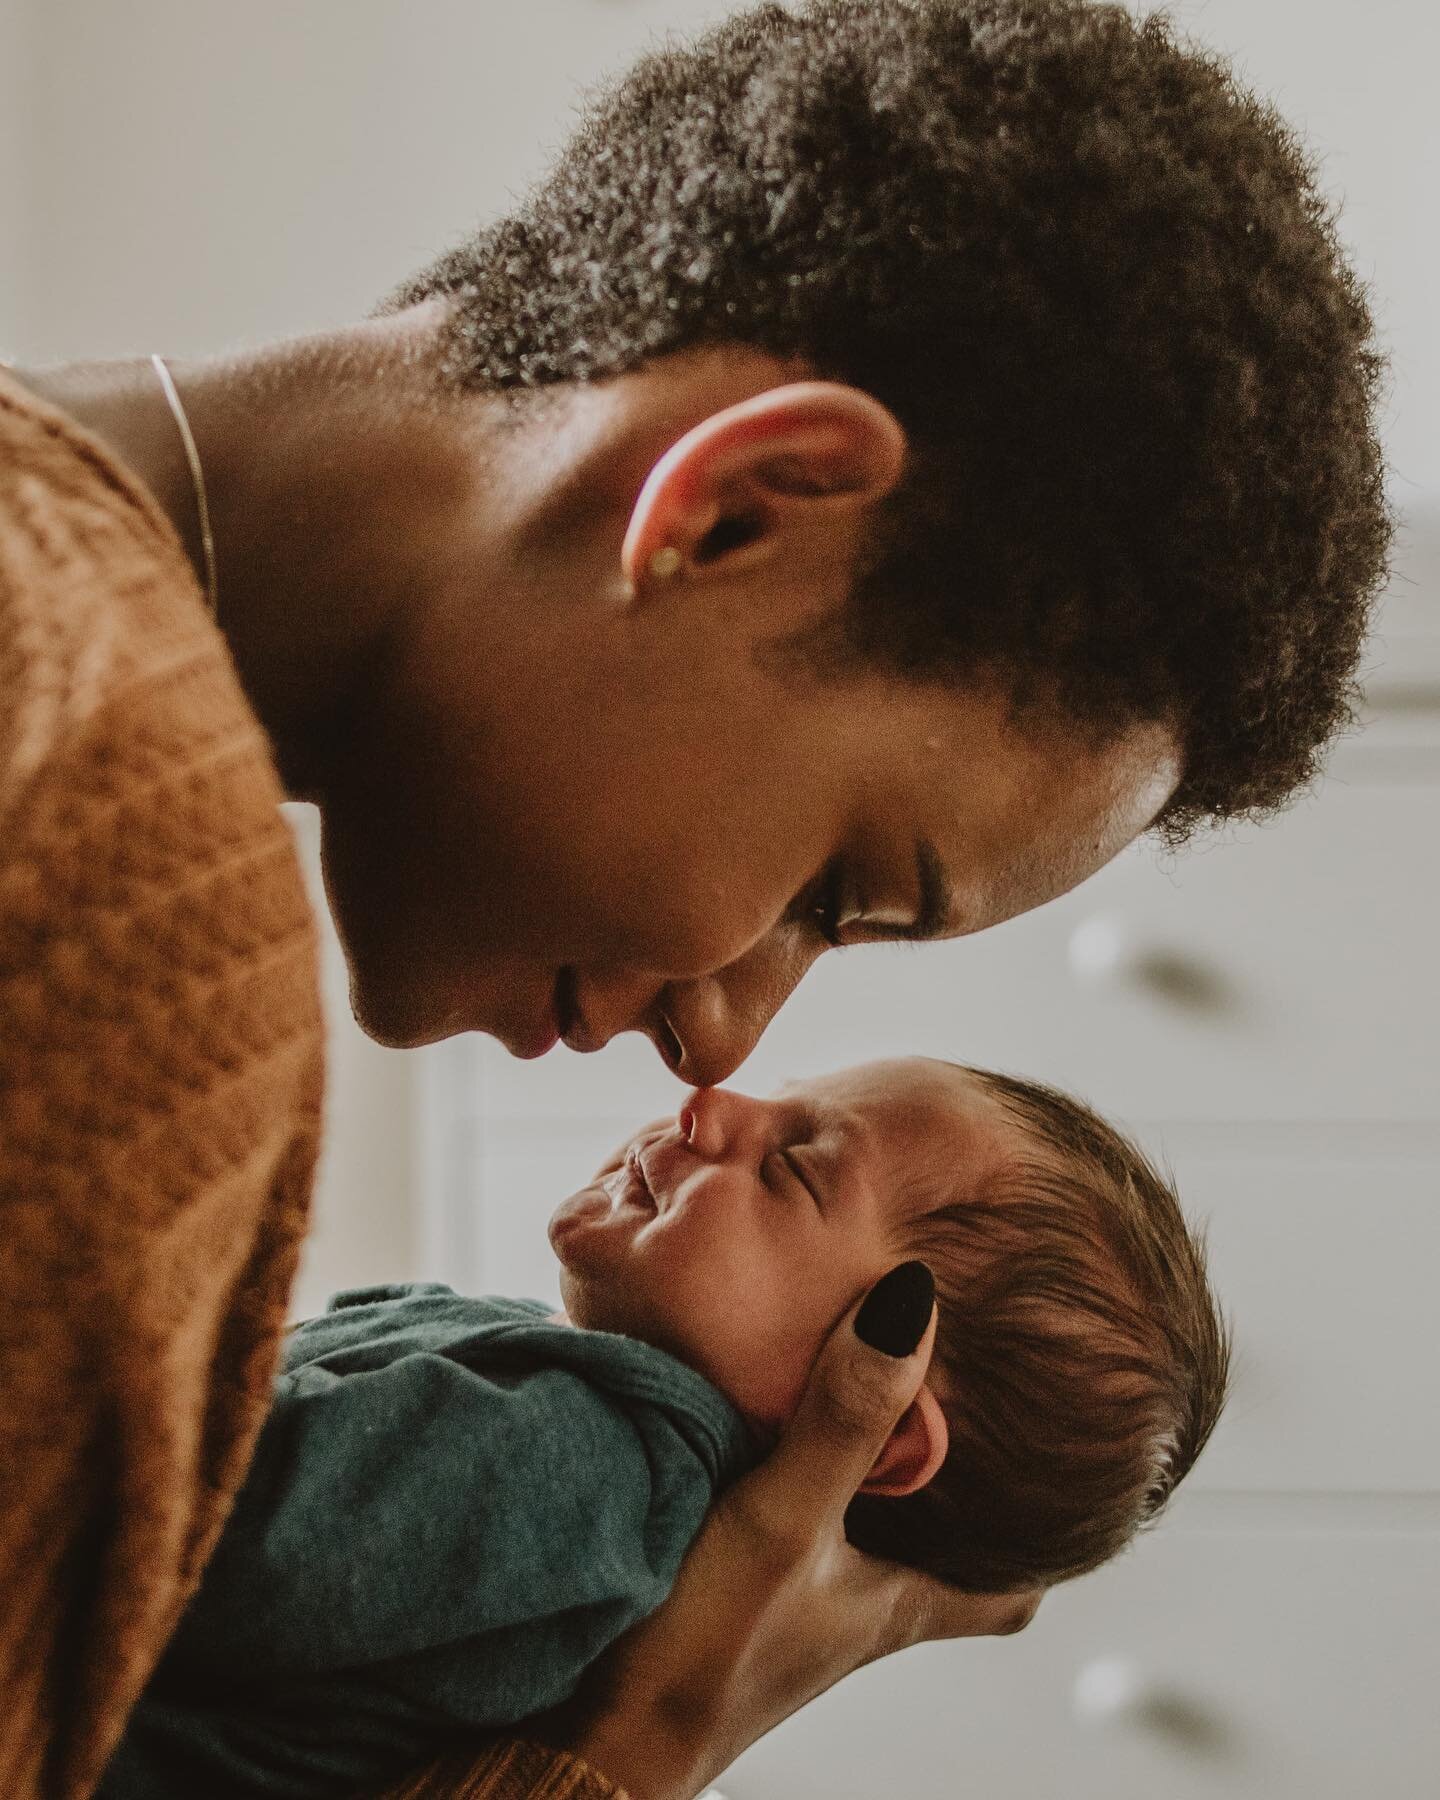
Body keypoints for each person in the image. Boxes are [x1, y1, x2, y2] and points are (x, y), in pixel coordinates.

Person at [0, 1, 1387, 1796]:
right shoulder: (117, 856)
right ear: (740, 512)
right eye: (836, 887)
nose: (719, 1029)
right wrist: (626, 1762)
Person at [103, 1058, 1228, 1800]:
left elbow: (204, 1543)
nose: (712, 1103)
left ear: (878, 1420)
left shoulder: (605, 1483)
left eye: (792, 1167)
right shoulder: (566, 1391)